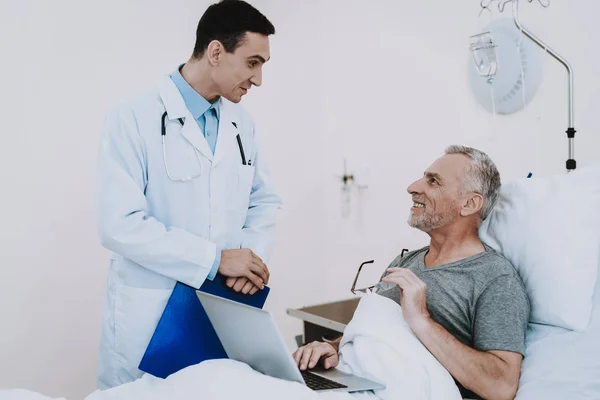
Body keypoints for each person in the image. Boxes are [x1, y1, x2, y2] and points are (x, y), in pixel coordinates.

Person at [95, 0, 282, 389]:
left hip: (221, 306)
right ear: (216, 52)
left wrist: (249, 261)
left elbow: (263, 201)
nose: (259, 79)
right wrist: (216, 260)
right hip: (150, 309)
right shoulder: (132, 117)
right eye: (252, 62)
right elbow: (119, 226)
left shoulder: (242, 124)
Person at [293, 146, 530, 400]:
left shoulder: (495, 279)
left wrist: (422, 321)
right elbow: (376, 334)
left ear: (469, 203)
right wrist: (333, 348)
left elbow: (501, 387)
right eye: (423, 177)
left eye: (434, 181)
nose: (413, 187)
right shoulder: (406, 261)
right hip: (353, 380)